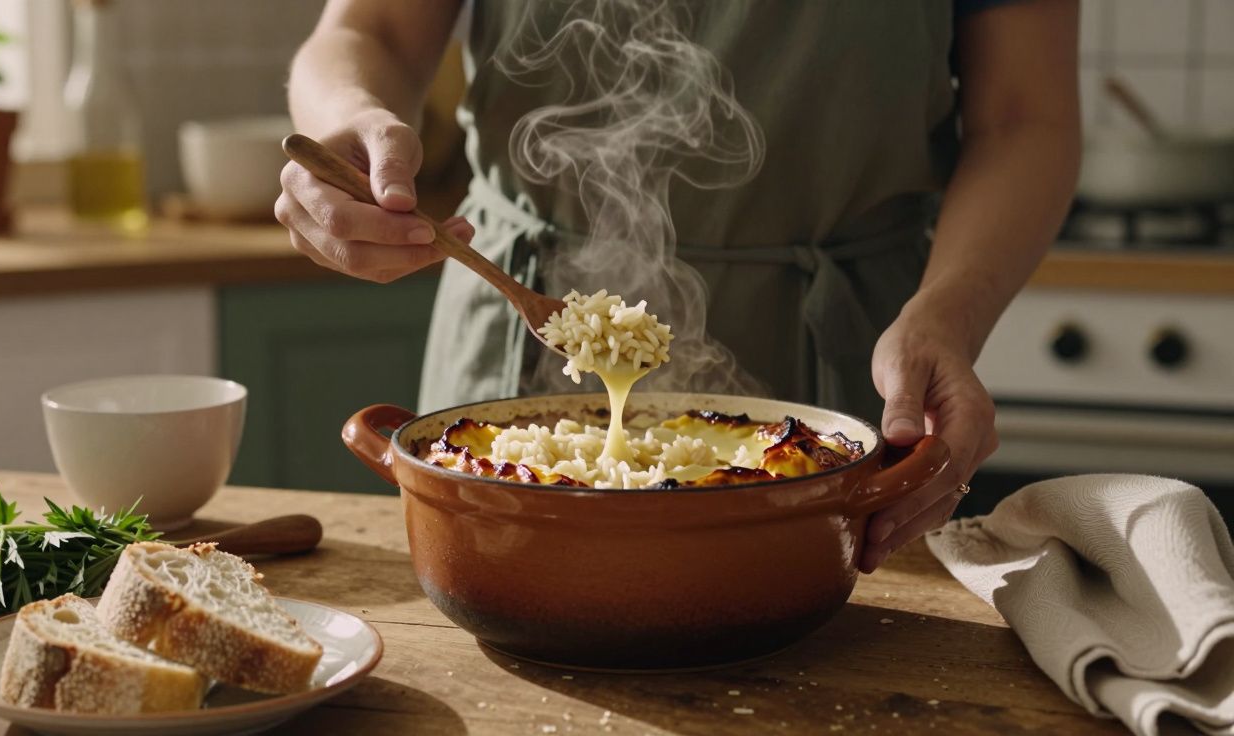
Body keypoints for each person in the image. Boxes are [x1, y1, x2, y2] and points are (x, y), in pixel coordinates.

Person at [276, 0, 1081, 573]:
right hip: (516, 319)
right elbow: (368, 28)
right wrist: (348, 116)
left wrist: (948, 316)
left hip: (846, 340)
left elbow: (1023, 116)